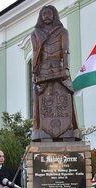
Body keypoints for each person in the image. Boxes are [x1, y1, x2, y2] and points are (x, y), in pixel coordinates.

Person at [31, 5, 80, 141]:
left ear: (54, 15)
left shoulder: (62, 31)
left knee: (68, 93)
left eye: (49, 13)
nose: (46, 16)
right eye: (44, 14)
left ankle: (73, 128)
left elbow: (65, 49)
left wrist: (66, 67)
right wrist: (35, 70)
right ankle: (38, 128)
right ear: (41, 17)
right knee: (37, 96)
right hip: (43, 69)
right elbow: (36, 52)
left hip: (59, 67)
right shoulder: (35, 33)